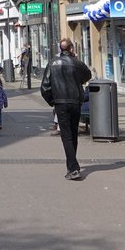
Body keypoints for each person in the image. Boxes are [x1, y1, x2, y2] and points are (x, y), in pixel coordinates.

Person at [47, 37, 92, 179]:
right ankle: (72, 165)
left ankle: (73, 167)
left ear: (61, 49)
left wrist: (52, 100)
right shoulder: (77, 63)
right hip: (75, 102)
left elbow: (44, 86)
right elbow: (88, 75)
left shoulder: (52, 63)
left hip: (61, 103)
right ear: (71, 49)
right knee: (72, 134)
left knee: (66, 136)